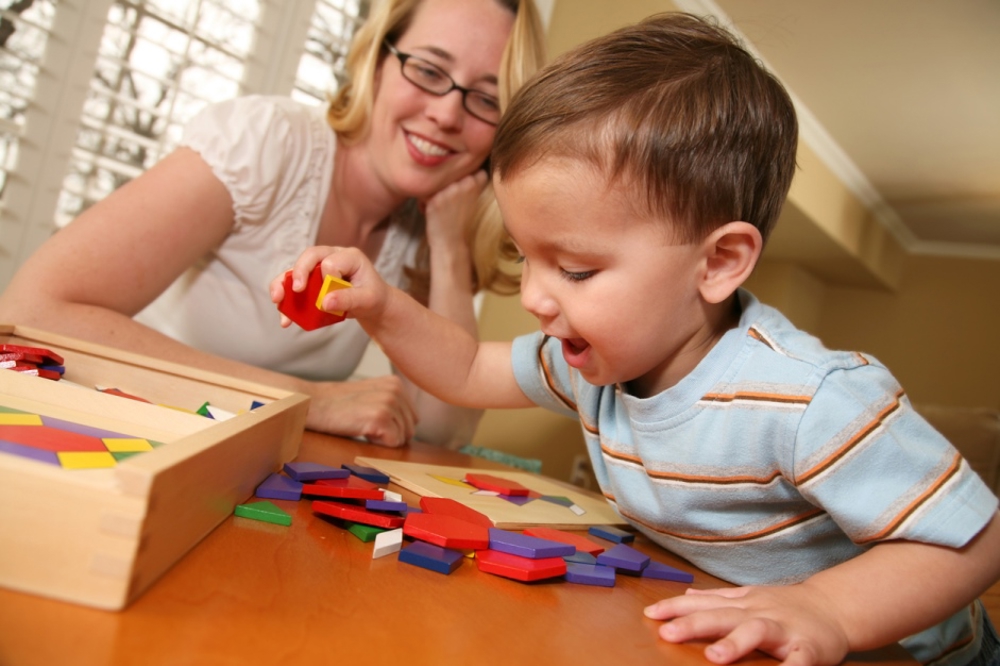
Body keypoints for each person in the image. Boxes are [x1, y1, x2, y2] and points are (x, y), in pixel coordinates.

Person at [271, 12, 1000, 666]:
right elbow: (463, 367)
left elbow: (974, 539)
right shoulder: (592, 364)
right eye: (527, 257)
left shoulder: (810, 397)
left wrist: (829, 609)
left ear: (717, 263)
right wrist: (379, 306)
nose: (533, 297)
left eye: (578, 269)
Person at [0, 0, 546, 448]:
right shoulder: (266, 143)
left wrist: (448, 247)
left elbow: (438, 428)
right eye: (427, 70)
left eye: (485, 100)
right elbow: (33, 310)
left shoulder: (423, 222)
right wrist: (303, 397)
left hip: (227, 464)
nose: (447, 115)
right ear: (375, 60)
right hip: (97, 436)